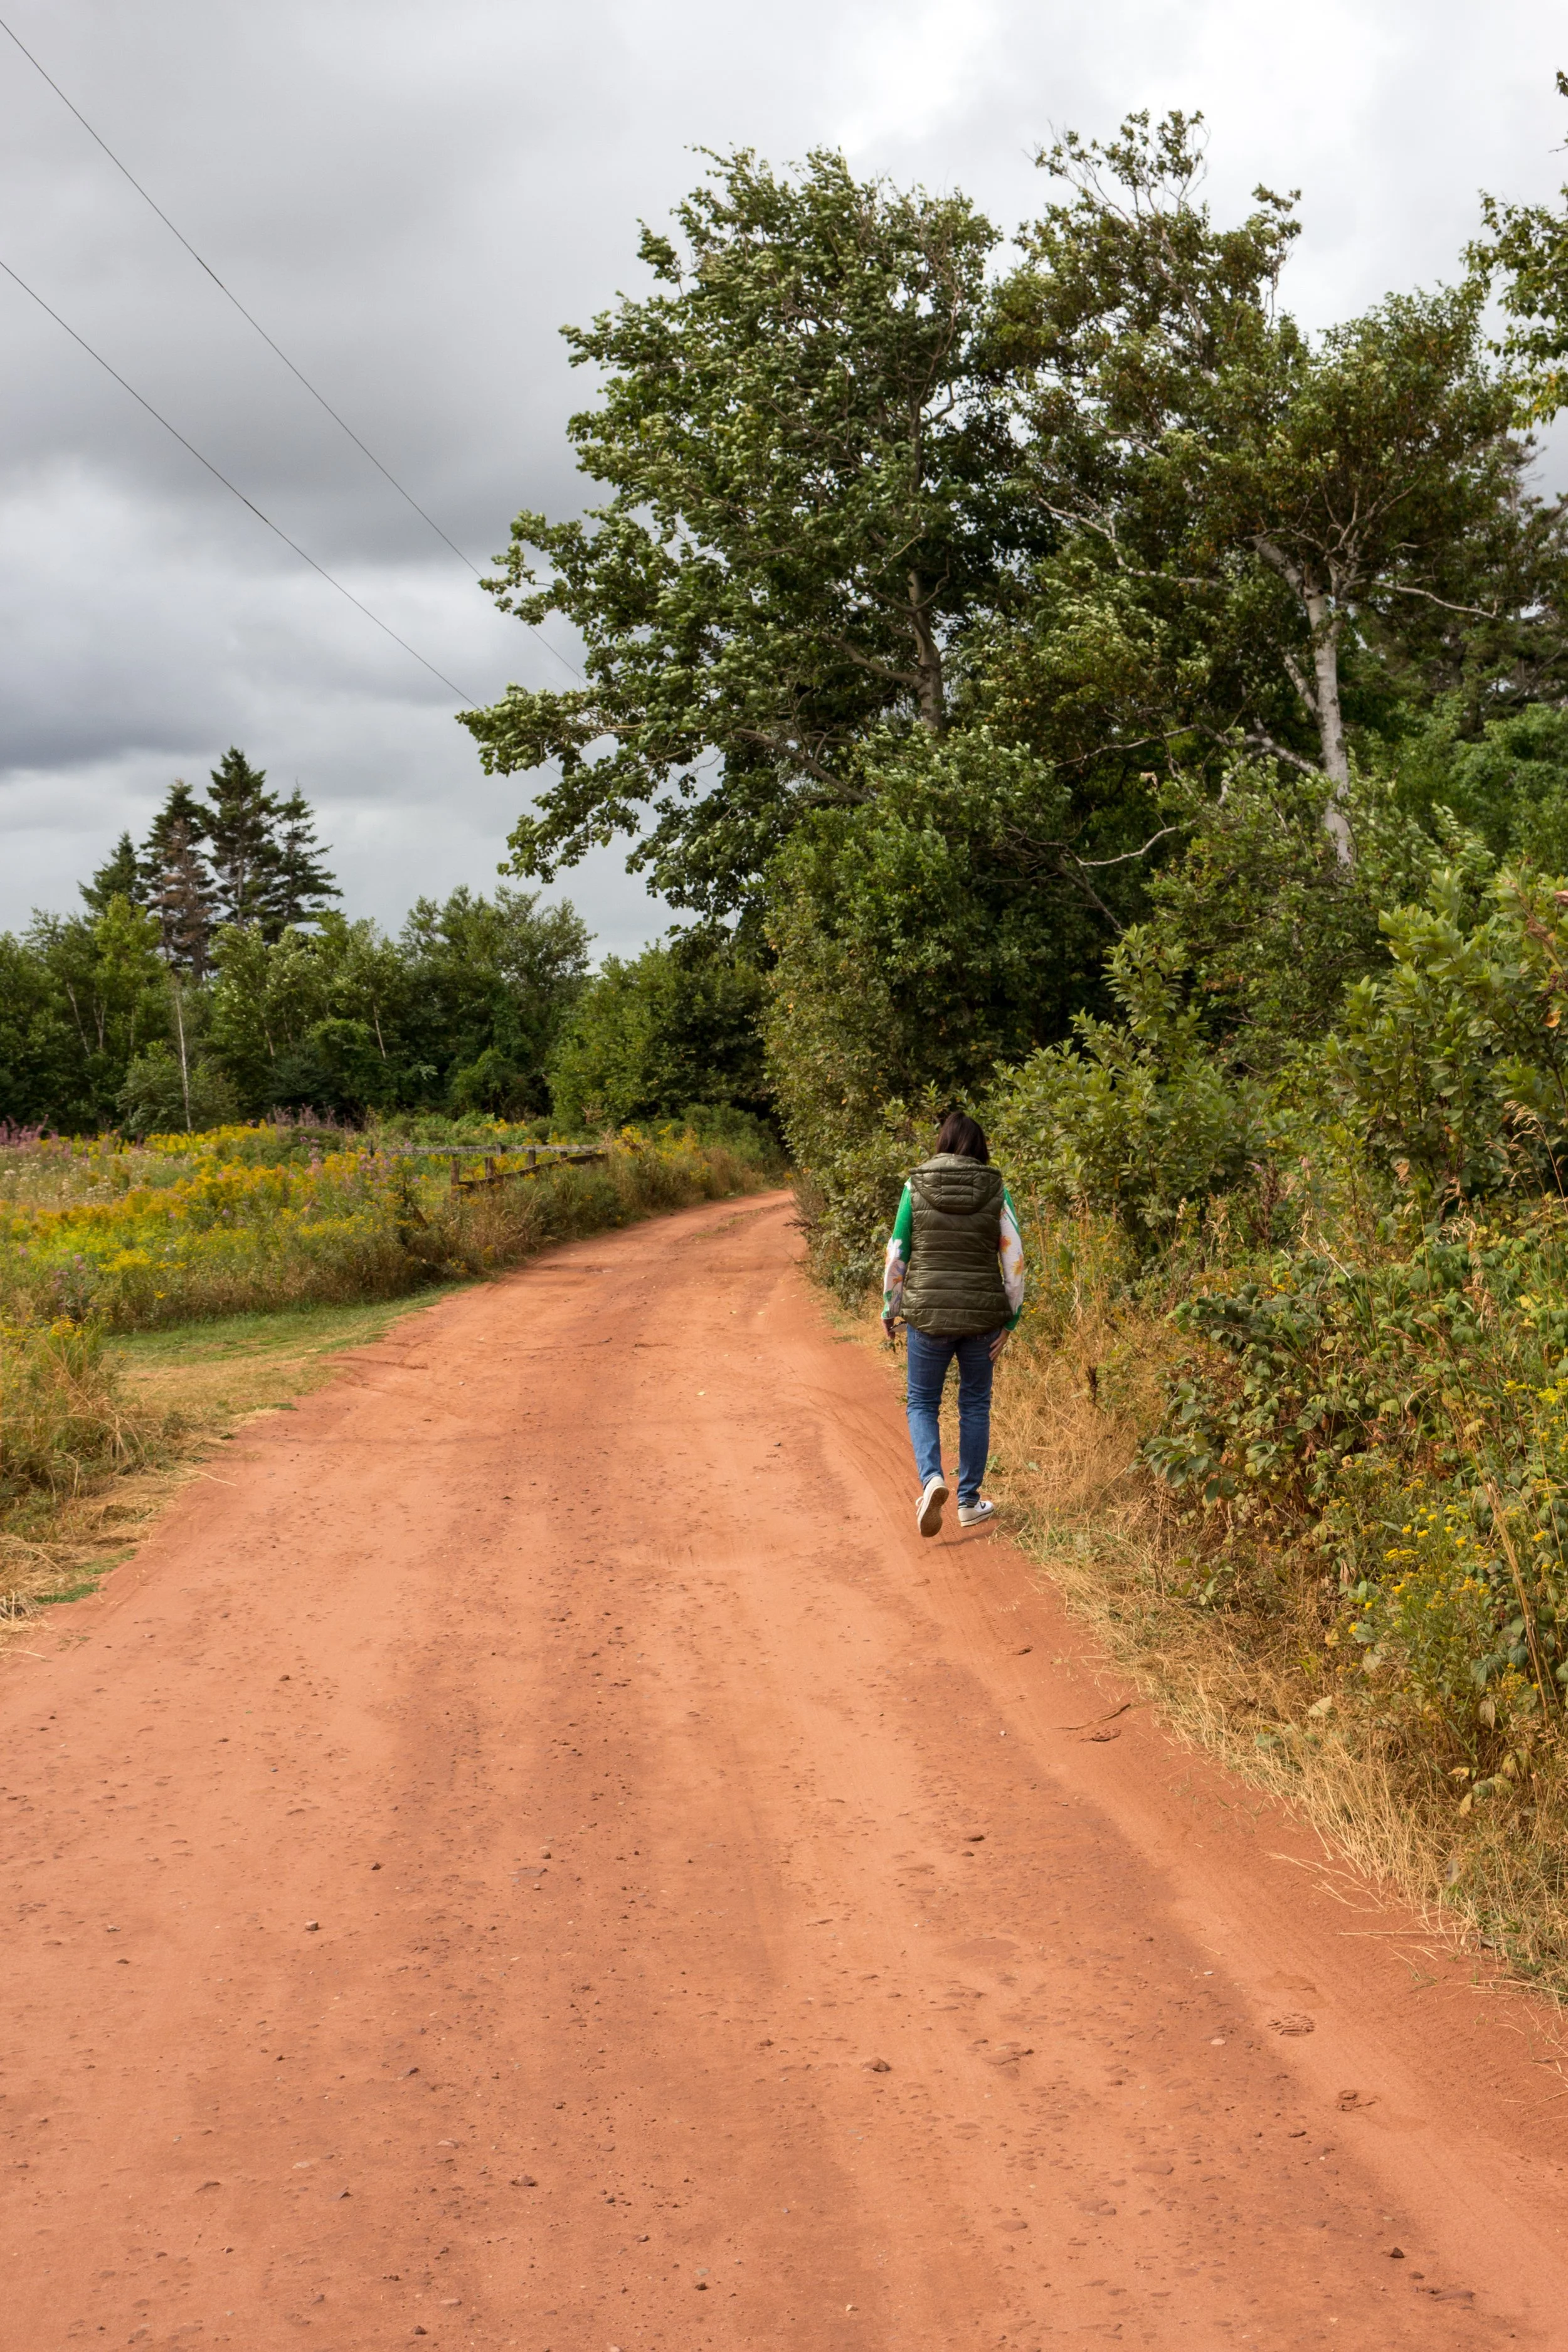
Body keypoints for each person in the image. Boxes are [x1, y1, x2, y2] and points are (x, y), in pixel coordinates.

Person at [882, 1110, 1025, 1538]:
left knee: (923, 1402)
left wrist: (891, 1307)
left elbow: (898, 1251)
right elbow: (1014, 1259)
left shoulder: (916, 1185)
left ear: (942, 1143)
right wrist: (1010, 1319)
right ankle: (968, 1502)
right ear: (980, 1148)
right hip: (982, 1316)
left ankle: (931, 1481)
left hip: (928, 1315)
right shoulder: (997, 1188)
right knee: (975, 1404)